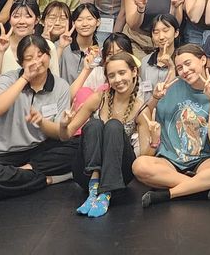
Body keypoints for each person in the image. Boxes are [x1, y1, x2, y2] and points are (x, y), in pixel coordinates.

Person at [0, 35, 76, 200]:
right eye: (29, 58)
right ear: (20, 63)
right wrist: (24, 79)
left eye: (41, 55)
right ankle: (45, 179)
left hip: (36, 151)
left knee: (78, 146)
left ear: (49, 56)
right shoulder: (9, 78)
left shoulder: (60, 86)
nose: (36, 61)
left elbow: (59, 134)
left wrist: (41, 122)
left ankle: (26, 171)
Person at [134, 45, 210, 206]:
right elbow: (143, 116)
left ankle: (170, 193)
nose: (185, 70)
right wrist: (155, 98)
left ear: (203, 60)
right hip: (169, 161)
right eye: (180, 68)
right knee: (140, 165)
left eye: (188, 63)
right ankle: (200, 187)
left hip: (203, 161)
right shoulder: (171, 87)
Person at [59, 52, 154, 217]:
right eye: (112, 75)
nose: (117, 79)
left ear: (134, 72)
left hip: (118, 176)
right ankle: (94, 186)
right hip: (86, 173)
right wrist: (63, 124)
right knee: (95, 124)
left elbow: (144, 157)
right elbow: (65, 135)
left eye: (122, 73)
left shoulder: (141, 109)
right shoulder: (98, 98)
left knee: (113, 125)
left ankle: (106, 192)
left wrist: (155, 138)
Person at [0, 0, 61, 90]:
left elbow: (55, 84)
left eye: (28, 16)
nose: (22, 21)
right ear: (10, 19)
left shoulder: (47, 46)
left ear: (37, 20)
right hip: (5, 100)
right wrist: (0, 52)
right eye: (16, 16)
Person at [58, 3, 101, 84]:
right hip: (62, 95)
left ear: (98, 22)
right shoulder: (61, 45)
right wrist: (60, 48)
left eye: (89, 19)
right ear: (74, 23)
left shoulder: (100, 51)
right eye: (80, 20)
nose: (84, 24)